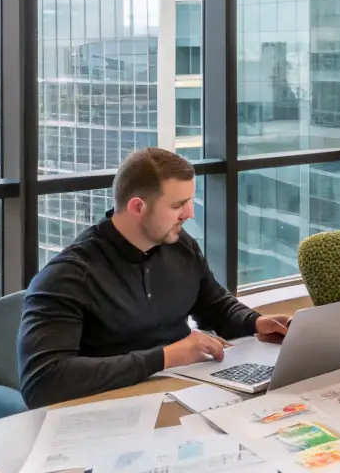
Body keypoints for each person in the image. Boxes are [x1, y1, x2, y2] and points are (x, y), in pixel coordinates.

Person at [19, 148, 292, 408]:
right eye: (178, 205)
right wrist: (165, 357)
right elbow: (43, 382)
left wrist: (255, 322)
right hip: (106, 408)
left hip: (179, 391)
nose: (190, 214)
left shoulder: (179, 245)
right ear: (138, 207)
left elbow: (215, 305)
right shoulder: (67, 277)